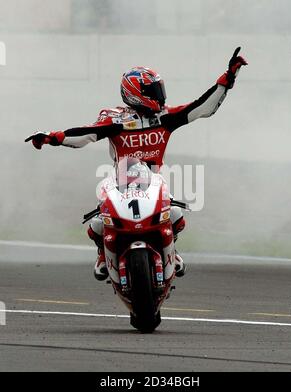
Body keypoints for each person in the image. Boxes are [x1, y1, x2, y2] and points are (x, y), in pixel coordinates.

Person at [25, 47, 247, 281]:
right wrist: (53, 137)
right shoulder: (115, 120)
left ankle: (172, 250)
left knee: (176, 214)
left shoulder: (165, 117)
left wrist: (228, 77)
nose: (160, 96)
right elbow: (85, 134)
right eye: (154, 91)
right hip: (120, 182)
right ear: (135, 93)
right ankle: (103, 253)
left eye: (159, 89)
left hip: (154, 183)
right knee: (97, 224)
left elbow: (202, 107)